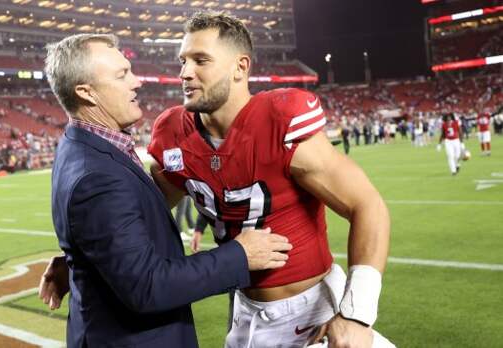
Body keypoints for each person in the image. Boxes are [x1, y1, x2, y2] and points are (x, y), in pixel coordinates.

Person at [42, 13, 393, 348]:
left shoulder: (280, 120)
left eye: (201, 60)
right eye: (183, 61)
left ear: (241, 67)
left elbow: (367, 205)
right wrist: (83, 260)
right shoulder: (174, 133)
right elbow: (139, 214)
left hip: (312, 312)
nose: (185, 72)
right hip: (244, 314)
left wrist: (358, 314)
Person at [43, 33, 292, 348]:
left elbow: (124, 219)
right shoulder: (97, 175)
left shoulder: (80, 144)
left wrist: (81, 261)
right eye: (122, 75)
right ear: (86, 92)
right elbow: (147, 286)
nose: (137, 83)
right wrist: (239, 256)